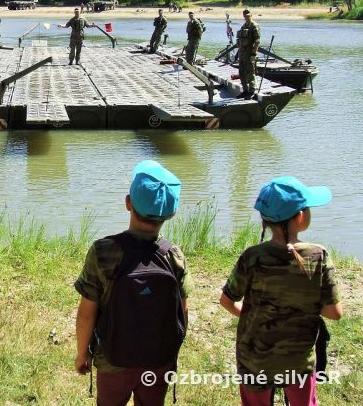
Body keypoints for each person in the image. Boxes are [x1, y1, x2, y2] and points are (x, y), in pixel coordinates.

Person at [74, 160, 191, 405]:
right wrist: (171, 354)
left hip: (112, 360)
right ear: (172, 213)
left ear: (128, 203)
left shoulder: (103, 251)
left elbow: (86, 313)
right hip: (158, 362)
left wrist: (82, 353)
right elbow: (182, 312)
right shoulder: (175, 256)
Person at [220, 176, 343, 406]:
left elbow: (227, 301)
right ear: (300, 216)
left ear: (265, 220)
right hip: (298, 359)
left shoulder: (251, 256)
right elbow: (334, 312)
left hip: (254, 357)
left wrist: (260, 314)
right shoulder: (319, 256)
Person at [236, 9, 261, 98]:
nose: (246, 17)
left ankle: (251, 91)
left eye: (248, 15)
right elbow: (241, 41)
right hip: (242, 53)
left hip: (250, 52)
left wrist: (254, 53)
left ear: (251, 15)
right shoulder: (243, 26)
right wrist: (238, 53)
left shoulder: (254, 26)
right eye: (245, 16)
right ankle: (245, 90)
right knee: (241, 72)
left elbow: (257, 41)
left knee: (250, 72)